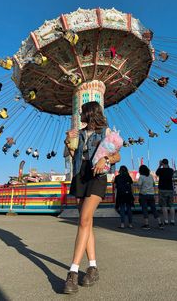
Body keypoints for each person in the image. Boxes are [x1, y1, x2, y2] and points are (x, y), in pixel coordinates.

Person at [63, 101, 120, 294]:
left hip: (98, 177)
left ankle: (72, 271)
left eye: (82, 112)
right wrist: (67, 142)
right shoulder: (78, 133)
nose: (80, 115)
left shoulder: (105, 131)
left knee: (84, 219)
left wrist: (106, 158)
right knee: (85, 223)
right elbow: (73, 154)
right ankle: (93, 267)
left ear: (90, 113)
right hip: (81, 175)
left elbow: (117, 156)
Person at [138, 165, 164, 230]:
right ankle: (160, 223)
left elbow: (139, 185)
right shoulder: (150, 176)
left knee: (145, 209)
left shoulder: (141, 177)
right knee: (154, 209)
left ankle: (147, 224)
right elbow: (153, 184)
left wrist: (141, 189)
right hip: (151, 194)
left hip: (144, 195)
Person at [156, 159, 175, 225]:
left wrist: (159, 165)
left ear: (162, 163)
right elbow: (170, 171)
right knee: (171, 205)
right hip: (170, 189)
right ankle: (172, 220)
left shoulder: (160, 170)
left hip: (162, 189)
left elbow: (156, 173)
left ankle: (166, 220)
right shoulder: (171, 170)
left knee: (164, 206)